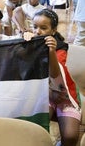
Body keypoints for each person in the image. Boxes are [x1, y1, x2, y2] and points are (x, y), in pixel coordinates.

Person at [27, 9, 81, 146]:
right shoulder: (32, 44)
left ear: (53, 30)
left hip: (65, 97)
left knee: (70, 136)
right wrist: (24, 44)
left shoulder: (61, 48)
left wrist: (51, 51)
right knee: (35, 130)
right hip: (45, 95)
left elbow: (55, 74)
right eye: (35, 27)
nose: (38, 31)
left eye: (43, 28)